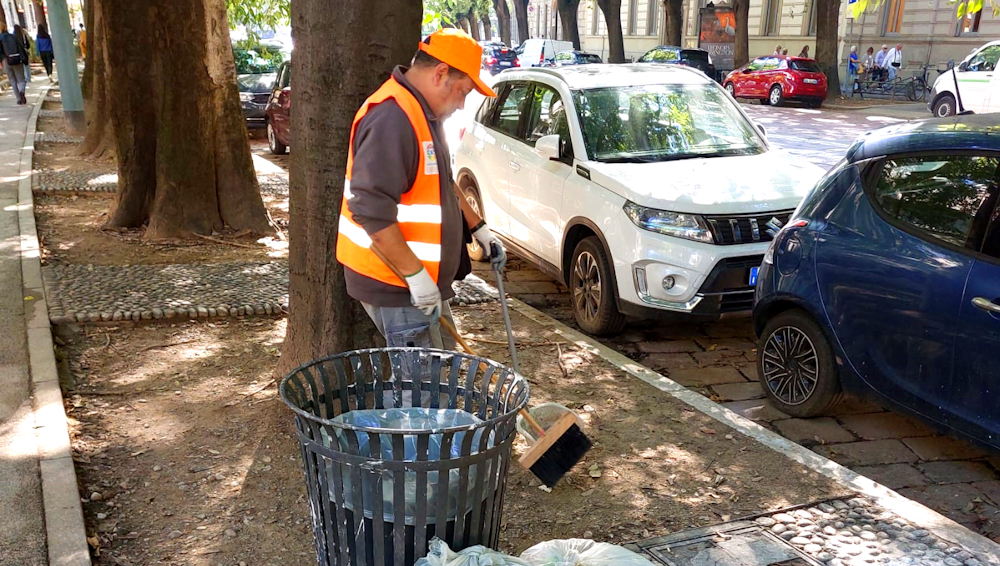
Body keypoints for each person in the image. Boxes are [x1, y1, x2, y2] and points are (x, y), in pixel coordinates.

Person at [336, 28, 506, 351]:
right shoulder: (393, 118)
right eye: (462, 92)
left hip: (417, 281)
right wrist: (414, 276)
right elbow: (370, 211)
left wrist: (478, 227)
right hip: (396, 280)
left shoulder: (422, 114)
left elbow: (441, 182)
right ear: (440, 73)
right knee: (419, 387)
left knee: (442, 366)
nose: (461, 104)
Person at [0, 23, 28, 104]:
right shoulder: (13, 36)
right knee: (21, 79)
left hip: (5, 60)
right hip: (16, 59)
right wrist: (23, 58)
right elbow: (20, 48)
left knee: (12, 80)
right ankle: (22, 91)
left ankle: (18, 99)